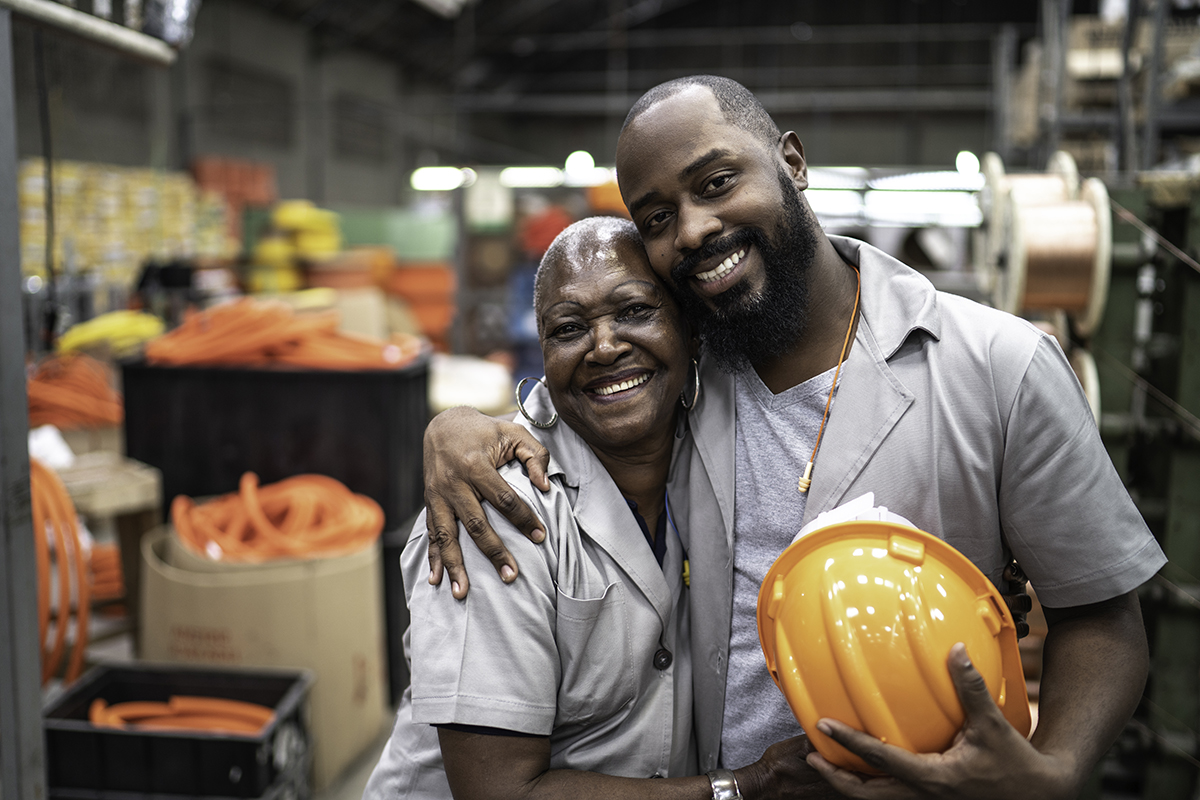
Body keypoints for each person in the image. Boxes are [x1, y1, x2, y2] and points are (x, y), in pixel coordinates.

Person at [420, 75, 1167, 800]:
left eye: (715, 182)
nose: (693, 229)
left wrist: (1058, 769)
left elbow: (1100, 611)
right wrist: (456, 429)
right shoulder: (683, 362)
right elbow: (573, 395)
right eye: (656, 218)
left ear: (792, 162)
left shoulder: (998, 368)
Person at [364, 216, 833, 800]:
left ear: (691, 331)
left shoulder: (712, 460)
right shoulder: (498, 512)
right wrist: (743, 786)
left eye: (634, 312)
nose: (605, 346)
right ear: (543, 353)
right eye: (569, 328)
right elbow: (499, 791)